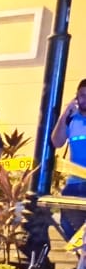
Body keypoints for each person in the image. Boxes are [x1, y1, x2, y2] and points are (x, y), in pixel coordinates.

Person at [50, 79, 86, 242]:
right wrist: (66, 113)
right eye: (82, 95)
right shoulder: (72, 119)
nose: (85, 99)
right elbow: (56, 142)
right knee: (69, 225)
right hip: (75, 184)